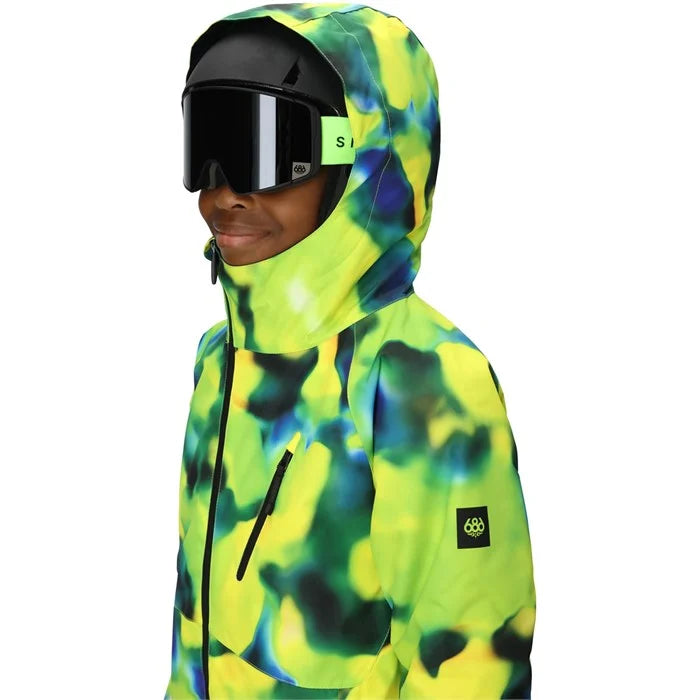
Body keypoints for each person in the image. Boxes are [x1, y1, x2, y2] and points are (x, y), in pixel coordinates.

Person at [166, 4, 537, 699]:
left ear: (364, 161)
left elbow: (470, 662)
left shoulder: (423, 383)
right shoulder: (221, 358)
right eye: (206, 148)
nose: (223, 193)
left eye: (265, 152)